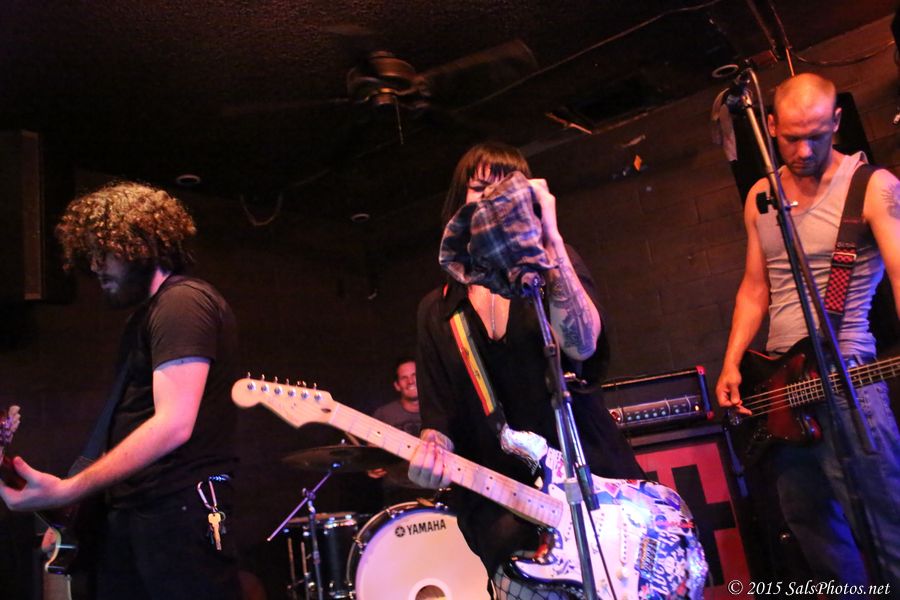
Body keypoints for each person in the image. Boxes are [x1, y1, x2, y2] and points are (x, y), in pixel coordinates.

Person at [407, 142, 644, 600]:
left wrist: (550, 240)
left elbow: (583, 344)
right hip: (506, 522)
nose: (494, 199)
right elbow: (438, 419)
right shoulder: (437, 310)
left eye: (508, 189)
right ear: (459, 203)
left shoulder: (551, 267)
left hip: (597, 497)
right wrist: (428, 456)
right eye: (481, 188)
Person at [0, 182, 241, 599]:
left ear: (142, 245)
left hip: (175, 512)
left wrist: (70, 490)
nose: (95, 267)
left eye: (104, 253)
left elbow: (173, 425)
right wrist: (72, 514)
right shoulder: (145, 317)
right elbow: (126, 424)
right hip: (138, 513)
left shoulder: (183, 303)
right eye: (90, 255)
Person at [715, 73, 900, 591]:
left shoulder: (872, 187)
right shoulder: (761, 196)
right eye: (792, 137)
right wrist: (732, 362)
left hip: (848, 382)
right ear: (770, 126)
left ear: (837, 122)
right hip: (782, 391)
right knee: (812, 530)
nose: (803, 150)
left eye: (816, 135)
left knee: (885, 529)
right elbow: (756, 287)